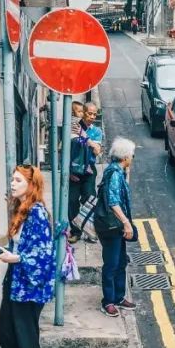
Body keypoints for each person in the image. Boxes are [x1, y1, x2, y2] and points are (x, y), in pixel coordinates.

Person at [0, 165, 56, 348]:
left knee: (26, 339)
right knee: (6, 337)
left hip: (29, 286)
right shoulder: (21, 211)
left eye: (18, 180)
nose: (12, 183)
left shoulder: (38, 213)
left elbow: (44, 253)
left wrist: (15, 257)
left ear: (31, 185)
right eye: (12, 179)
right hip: (15, 281)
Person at [97, 138, 137, 317]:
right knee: (112, 263)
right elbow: (113, 202)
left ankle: (119, 297)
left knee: (121, 261)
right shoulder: (114, 174)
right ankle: (108, 301)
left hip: (117, 226)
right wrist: (126, 222)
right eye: (132, 156)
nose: (133, 158)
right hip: (111, 226)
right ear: (126, 156)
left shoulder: (119, 171)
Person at [69, 102, 104, 243]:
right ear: (83, 113)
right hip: (74, 170)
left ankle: (90, 230)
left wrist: (84, 136)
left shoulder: (96, 131)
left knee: (90, 200)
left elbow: (97, 150)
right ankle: (75, 231)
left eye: (95, 114)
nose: (92, 116)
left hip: (89, 170)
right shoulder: (73, 127)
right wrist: (69, 171)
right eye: (89, 113)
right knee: (71, 202)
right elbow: (65, 149)